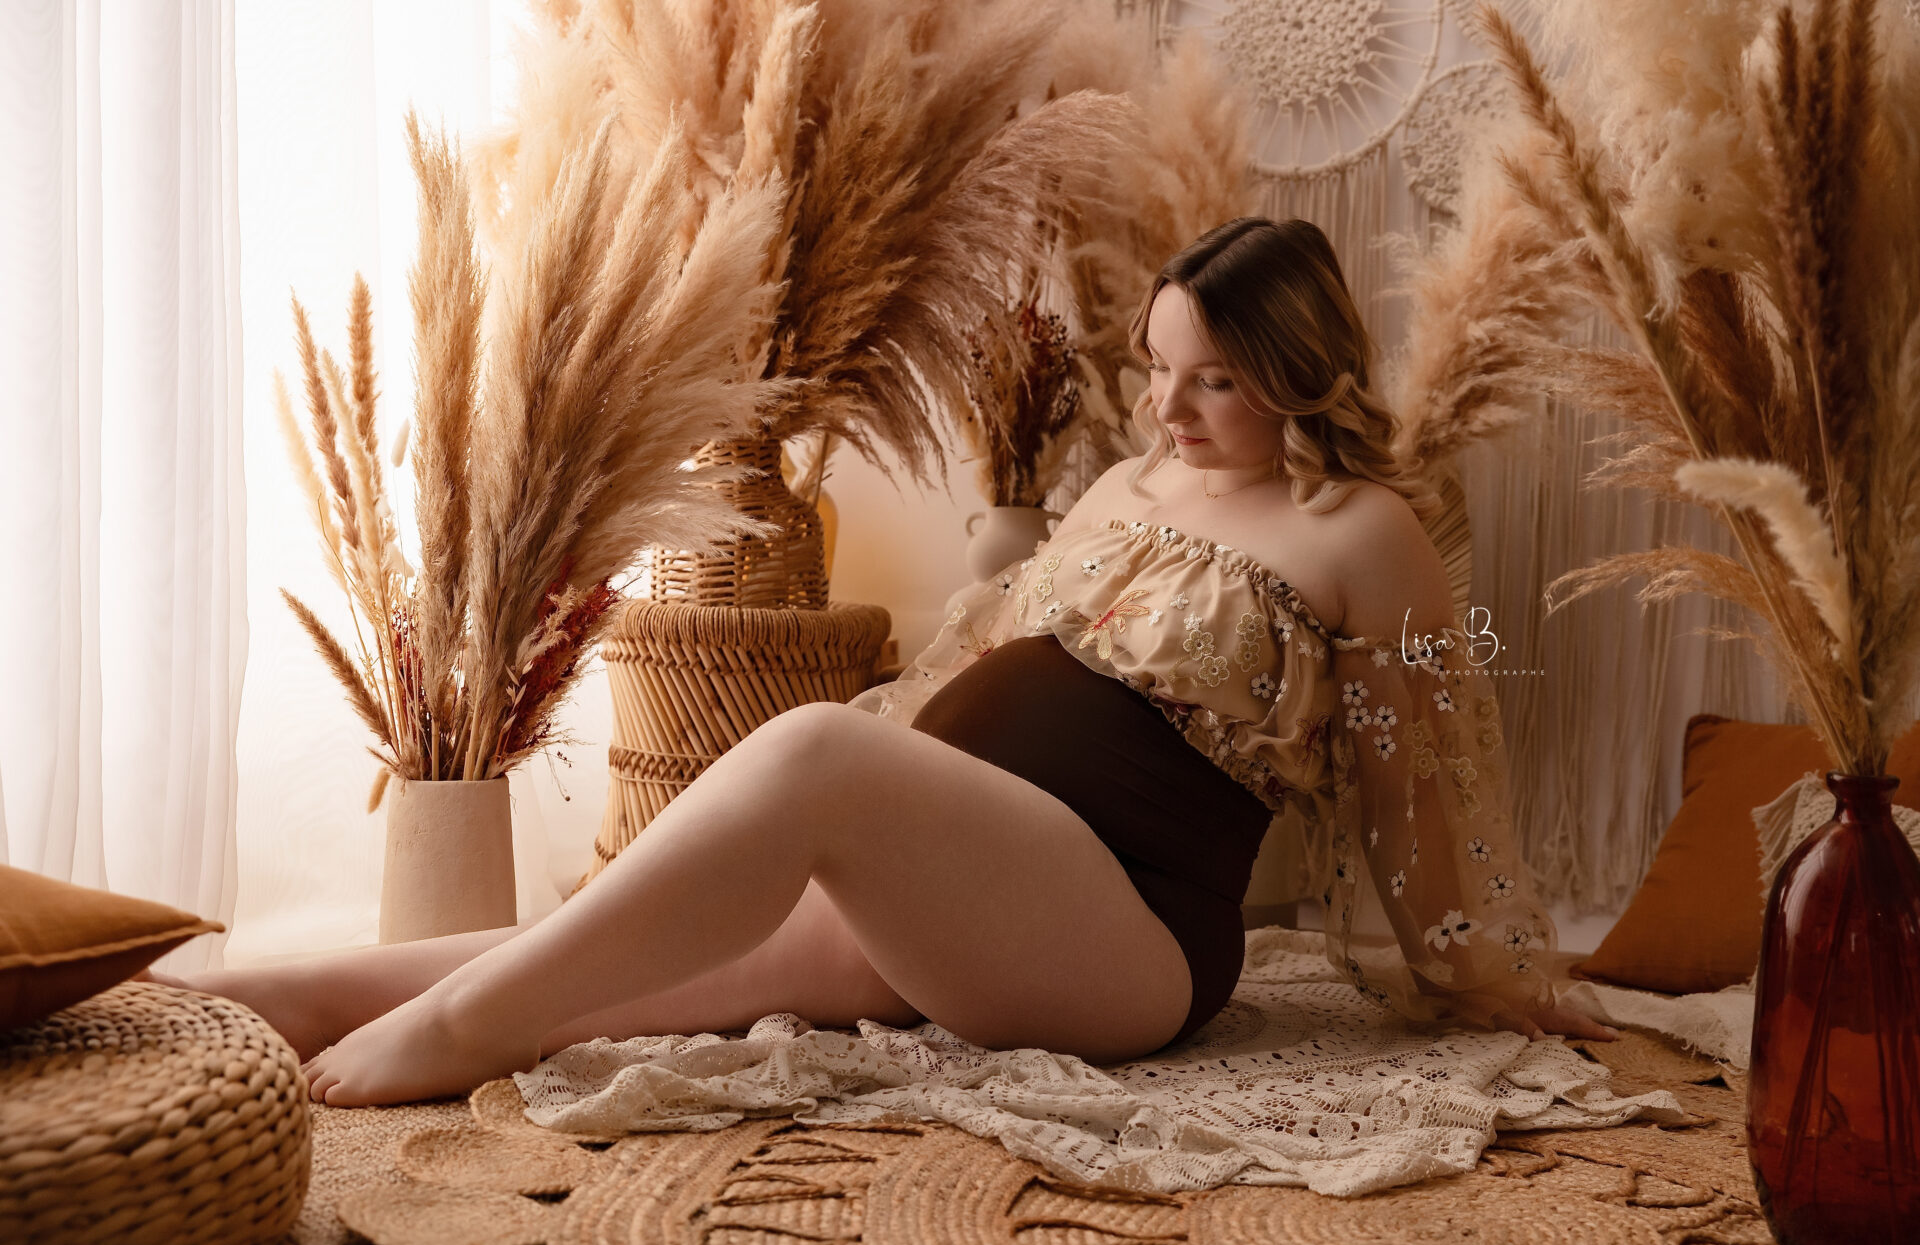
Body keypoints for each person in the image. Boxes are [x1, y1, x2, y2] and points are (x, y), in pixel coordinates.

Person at [160, 216, 1614, 1108]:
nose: (1167, 406)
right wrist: (893, 790)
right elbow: (994, 657)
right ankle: (294, 995)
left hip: (1128, 941)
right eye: (1157, 365)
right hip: (966, 892)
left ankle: (461, 1033)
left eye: (1216, 379)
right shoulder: (1127, 484)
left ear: (1300, 370)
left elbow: (1427, 787)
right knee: (618, 957)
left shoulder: (1364, 531)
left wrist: (1490, 971)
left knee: (813, 749)